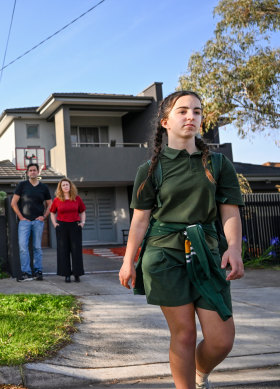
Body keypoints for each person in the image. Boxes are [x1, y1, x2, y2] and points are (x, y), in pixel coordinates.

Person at [118, 90, 244, 389]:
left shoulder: (218, 164)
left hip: (207, 251)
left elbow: (230, 212)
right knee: (184, 334)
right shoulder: (150, 170)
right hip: (163, 255)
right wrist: (128, 261)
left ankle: (200, 374)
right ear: (165, 122)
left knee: (221, 340)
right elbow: (140, 221)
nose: (192, 116)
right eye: (183, 111)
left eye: (198, 111)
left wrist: (235, 248)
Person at [10, 163, 52, 281]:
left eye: (35, 170)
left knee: (37, 247)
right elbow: (13, 203)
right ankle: (26, 272)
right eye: (30, 170)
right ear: (28, 173)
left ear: (38, 172)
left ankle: (38, 271)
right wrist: (21, 217)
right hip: (24, 222)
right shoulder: (22, 185)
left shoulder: (43, 187)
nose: (33, 172)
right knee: (23, 247)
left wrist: (44, 216)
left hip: (38, 222)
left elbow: (50, 204)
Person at [50, 178, 86, 283]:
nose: (65, 186)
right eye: (63, 185)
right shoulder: (57, 200)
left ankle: (77, 274)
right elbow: (52, 212)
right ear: (60, 188)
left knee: (76, 251)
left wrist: (82, 222)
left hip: (75, 226)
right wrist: (54, 224)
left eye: (67, 185)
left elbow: (82, 211)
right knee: (63, 251)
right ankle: (66, 275)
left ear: (70, 186)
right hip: (62, 227)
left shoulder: (77, 198)